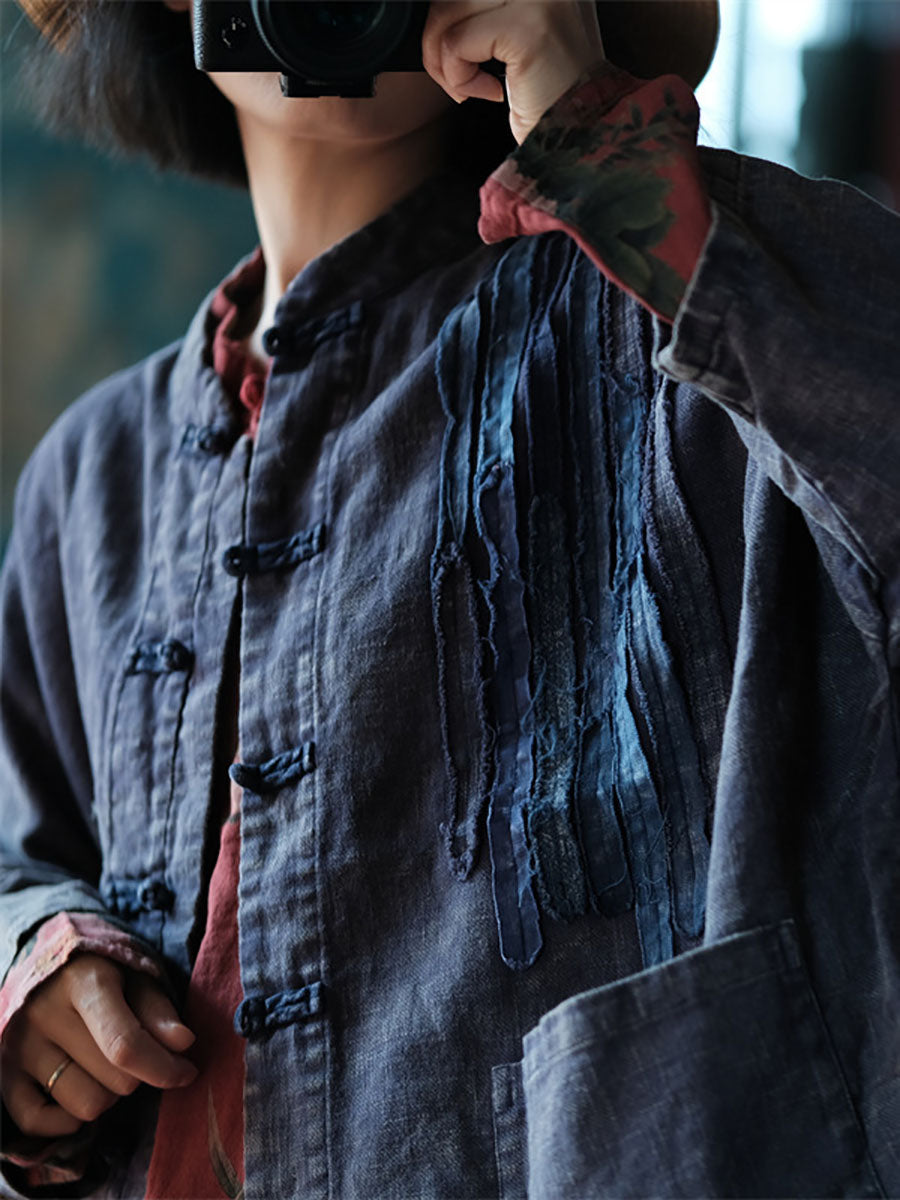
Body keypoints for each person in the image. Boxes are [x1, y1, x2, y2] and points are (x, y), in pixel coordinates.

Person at [1, 0, 898, 1196]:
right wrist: (37, 969)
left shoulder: (678, 328)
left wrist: (599, 145)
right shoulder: (90, 478)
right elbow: (20, 848)